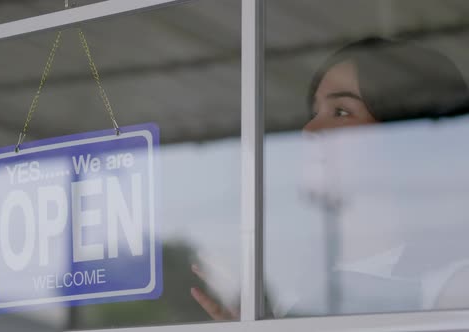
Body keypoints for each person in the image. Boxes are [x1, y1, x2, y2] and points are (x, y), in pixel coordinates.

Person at [191, 37, 469, 319]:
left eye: (341, 112)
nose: (309, 130)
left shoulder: (454, 289)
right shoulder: (293, 290)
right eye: (314, 113)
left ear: (408, 135)